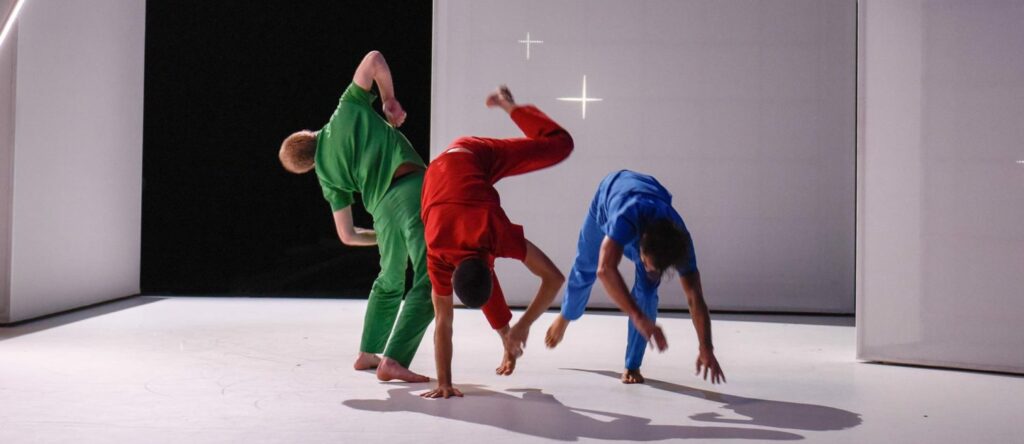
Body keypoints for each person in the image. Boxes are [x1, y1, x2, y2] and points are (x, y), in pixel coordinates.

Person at [278, 50, 432, 383]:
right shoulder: (345, 110)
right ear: (306, 132)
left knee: (390, 279)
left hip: (382, 211)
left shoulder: (326, 178)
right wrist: (389, 99)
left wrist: (380, 236)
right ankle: (394, 359)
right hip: (410, 187)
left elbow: (347, 235)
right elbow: (374, 59)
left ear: (308, 167)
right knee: (432, 277)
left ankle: (368, 353)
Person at [419, 86, 572, 399]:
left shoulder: (477, 237)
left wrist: (521, 327)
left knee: (559, 145)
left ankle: (508, 104)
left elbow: (444, 321)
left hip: (473, 155)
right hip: (442, 172)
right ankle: (506, 338)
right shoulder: (444, 249)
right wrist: (444, 382)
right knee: (478, 271)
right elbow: (552, 278)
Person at [544, 170, 725, 385]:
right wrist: (638, 317)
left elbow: (695, 297)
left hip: (651, 206)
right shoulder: (624, 217)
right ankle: (566, 315)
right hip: (610, 194)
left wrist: (706, 347)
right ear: (641, 245)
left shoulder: (681, 242)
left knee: (647, 292)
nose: (648, 270)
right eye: (647, 263)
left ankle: (632, 364)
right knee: (586, 267)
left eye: (655, 269)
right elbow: (604, 270)